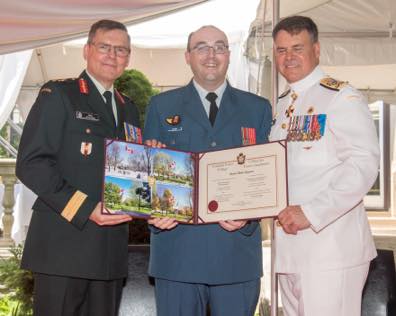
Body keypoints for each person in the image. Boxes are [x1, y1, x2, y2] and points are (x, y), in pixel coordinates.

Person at [143, 25, 272, 316]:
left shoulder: (258, 108)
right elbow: (148, 176)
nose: (211, 54)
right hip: (177, 256)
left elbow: (265, 175)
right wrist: (155, 212)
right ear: (187, 56)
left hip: (236, 256)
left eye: (220, 47)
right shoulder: (161, 106)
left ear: (229, 55)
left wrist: (249, 213)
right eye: (202, 47)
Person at [16, 20, 140, 316]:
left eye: (121, 50)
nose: (113, 55)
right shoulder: (60, 94)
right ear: (87, 50)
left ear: (128, 58)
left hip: (108, 252)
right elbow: (31, 163)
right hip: (63, 248)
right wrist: (85, 208)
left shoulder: (129, 108)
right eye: (104, 47)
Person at [270, 16, 380, 316]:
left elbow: (364, 164)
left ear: (316, 50)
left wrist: (312, 212)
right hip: (290, 251)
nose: (288, 57)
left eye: (297, 48)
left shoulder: (341, 97)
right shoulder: (282, 105)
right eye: (281, 50)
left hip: (330, 249)